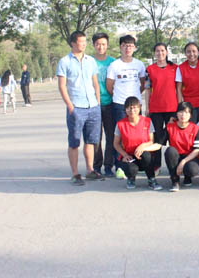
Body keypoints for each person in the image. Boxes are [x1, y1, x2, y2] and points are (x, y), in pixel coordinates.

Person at [56, 30, 103, 186]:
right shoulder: (64, 62)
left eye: (85, 41)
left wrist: (97, 101)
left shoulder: (91, 61)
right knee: (74, 141)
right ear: (73, 43)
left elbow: (95, 82)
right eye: (80, 42)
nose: (83, 44)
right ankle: (75, 173)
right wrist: (70, 106)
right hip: (77, 107)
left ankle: (90, 169)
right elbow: (62, 86)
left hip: (93, 106)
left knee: (91, 141)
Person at [106, 34, 146, 179]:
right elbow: (109, 86)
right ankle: (120, 167)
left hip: (136, 106)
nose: (128, 48)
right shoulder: (114, 65)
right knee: (121, 137)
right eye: (125, 45)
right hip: (119, 105)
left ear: (134, 48)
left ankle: (137, 164)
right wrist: (119, 97)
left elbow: (143, 84)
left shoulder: (139, 64)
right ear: (120, 47)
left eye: (130, 46)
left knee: (137, 136)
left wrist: (134, 100)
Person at [112, 96, 163, 190]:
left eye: (135, 107)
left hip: (143, 153)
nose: (132, 110)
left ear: (139, 108)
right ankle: (131, 179)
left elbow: (151, 141)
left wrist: (142, 146)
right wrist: (124, 155)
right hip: (129, 155)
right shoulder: (120, 124)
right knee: (131, 168)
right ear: (125, 109)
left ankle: (151, 179)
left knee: (147, 156)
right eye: (129, 108)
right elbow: (116, 144)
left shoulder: (147, 121)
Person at [176, 42, 199, 172]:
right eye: (189, 51)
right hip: (189, 106)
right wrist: (181, 107)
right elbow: (179, 89)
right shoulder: (181, 68)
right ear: (185, 53)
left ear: (198, 52)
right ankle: (192, 158)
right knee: (191, 133)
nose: (191, 54)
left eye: (194, 51)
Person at [145, 43, 178, 169]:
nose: (160, 53)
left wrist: (180, 107)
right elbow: (148, 89)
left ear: (167, 52)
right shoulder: (149, 69)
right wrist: (147, 107)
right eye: (157, 51)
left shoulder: (175, 68)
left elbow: (179, 88)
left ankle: (174, 164)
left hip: (172, 108)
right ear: (154, 53)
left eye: (162, 50)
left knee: (173, 137)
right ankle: (156, 165)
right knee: (156, 137)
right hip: (156, 108)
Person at [92, 32, 116, 177]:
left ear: (107, 45)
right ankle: (96, 166)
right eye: (98, 44)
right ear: (93, 45)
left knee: (111, 136)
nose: (101, 47)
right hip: (94, 104)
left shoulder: (113, 62)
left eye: (103, 44)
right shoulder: (89, 61)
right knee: (96, 137)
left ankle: (108, 165)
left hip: (110, 103)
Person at [164, 102, 199, 192]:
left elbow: (197, 150)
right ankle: (175, 180)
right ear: (176, 114)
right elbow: (159, 144)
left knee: (192, 169)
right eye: (181, 112)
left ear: (190, 115)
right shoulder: (170, 127)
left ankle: (187, 177)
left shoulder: (195, 128)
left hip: (190, 157)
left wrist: (183, 162)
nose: (183, 115)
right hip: (176, 156)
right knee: (170, 151)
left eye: (186, 112)